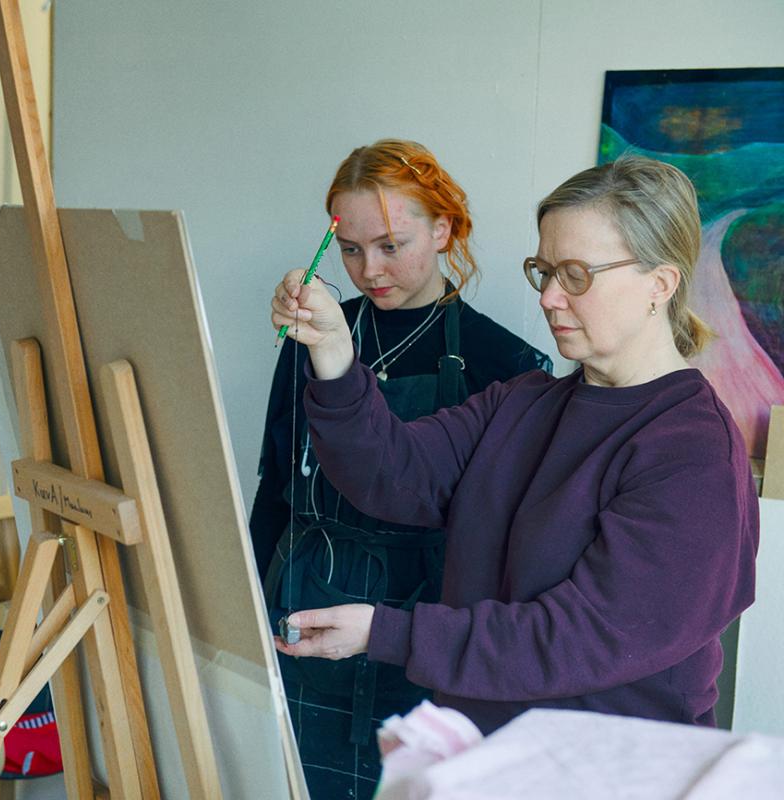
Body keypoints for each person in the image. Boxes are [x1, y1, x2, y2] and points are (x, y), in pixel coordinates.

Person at [269, 154, 759, 740]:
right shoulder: (523, 403)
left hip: (607, 771)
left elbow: (584, 638)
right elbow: (390, 473)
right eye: (544, 271)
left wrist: (388, 632)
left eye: (576, 276)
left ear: (661, 283)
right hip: (485, 752)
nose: (549, 298)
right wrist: (331, 352)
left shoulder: (693, 451)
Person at [249, 139, 551, 797]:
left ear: (443, 228)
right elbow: (275, 480)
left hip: (425, 635)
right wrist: (242, 607)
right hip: (302, 614)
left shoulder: (508, 365)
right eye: (351, 249)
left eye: (391, 244)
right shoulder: (313, 334)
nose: (369, 269)